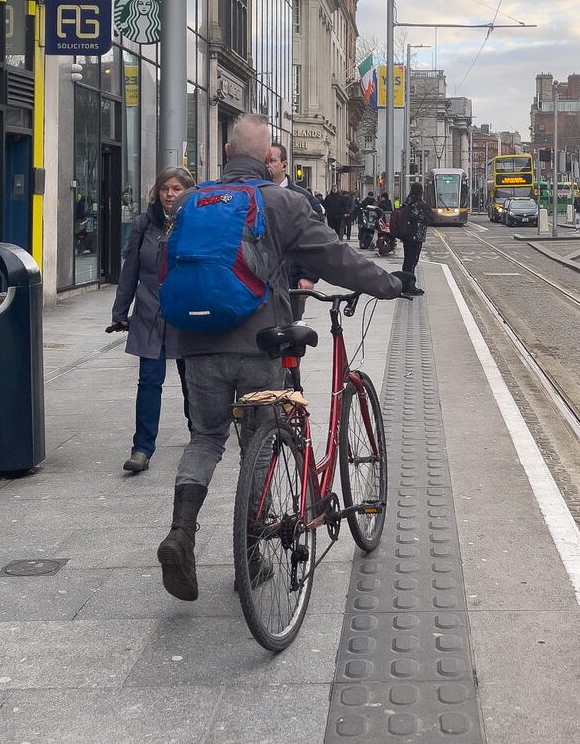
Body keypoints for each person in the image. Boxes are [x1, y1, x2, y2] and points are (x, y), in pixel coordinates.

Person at [157, 115, 410, 602]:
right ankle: (250, 556)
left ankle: (182, 531)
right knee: (263, 444)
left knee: (205, 438)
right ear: (266, 157)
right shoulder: (280, 201)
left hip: (197, 343)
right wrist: (390, 282)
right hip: (258, 344)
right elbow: (333, 257)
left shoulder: (191, 202)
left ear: (228, 153)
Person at [109, 167, 196, 474]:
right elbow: (130, 270)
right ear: (157, 192)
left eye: (176, 189)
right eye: (164, 189)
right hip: (149, 313)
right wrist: (120, 311)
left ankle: (199, 432)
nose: (170, 194)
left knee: (191, 381)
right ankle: (142, 448)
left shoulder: (195, 222)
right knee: (148, 381)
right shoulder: (144, 224)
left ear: (186, 191)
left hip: (184, 314)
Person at [266, 142, 324, 321]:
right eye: (264, 161)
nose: (266, 165)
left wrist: (308, 275)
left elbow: (316, 240)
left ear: (284, 165)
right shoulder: (256, 193)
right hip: (261, 283)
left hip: (291, 282)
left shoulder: (302, 199)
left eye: (272, 161)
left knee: (292, 334)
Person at [394, 182, 429, 295]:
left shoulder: (407, 202)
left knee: (407, 260)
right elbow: (429, 217)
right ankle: (409, 286)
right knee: (412, 261)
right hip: (416, 237)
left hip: (406, 236)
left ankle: (405, 284)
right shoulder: (418, 204)